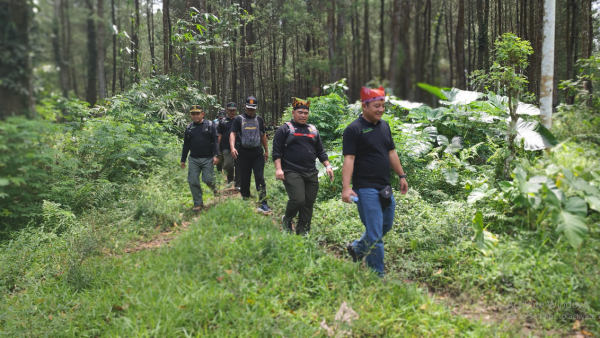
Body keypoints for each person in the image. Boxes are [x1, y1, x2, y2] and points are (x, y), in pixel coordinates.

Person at [342, 87, 409, 277]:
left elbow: (391, 153)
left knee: (385, 225)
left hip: (384, 187)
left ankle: (356, 248)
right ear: (364, 105)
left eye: (383, 106)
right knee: (375, 234)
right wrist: (346, 188)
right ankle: (376, 276)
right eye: (376, 106)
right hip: (365, 188)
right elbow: (349, 159)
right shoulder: (354, 129)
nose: (381, 110)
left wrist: (401, 176)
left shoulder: (384, 126)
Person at [272, 98, 334, 235]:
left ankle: (303, 232)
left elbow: (321, 151)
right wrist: (278, 169)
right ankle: (287, 219)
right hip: (291, 170)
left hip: (311, 172)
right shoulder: (284, 129)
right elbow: (276, 151)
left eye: (306, 113)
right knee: (298, 200)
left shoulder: (312, 130)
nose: (303, 115)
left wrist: (328, 166)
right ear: (293, 112)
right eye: (300, 112)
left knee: (308, 203)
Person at [229, 96, 271, 213]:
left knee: (259, 178)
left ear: (256, 108)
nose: (250, 110)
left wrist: (266, 150)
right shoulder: (238, 119)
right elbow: (232, 133)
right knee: (244, 178)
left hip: (257, 153)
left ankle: (263, 203)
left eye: (253, 108)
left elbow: (263, 135)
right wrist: (233, 148)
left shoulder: (259, 119)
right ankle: (245, 199)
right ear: (244, 106)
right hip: (243, 153)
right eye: (248, 108)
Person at [180, 105, 219, 212]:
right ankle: (198, 203)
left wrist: (216, 155)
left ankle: (215, 189)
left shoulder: (210, 125)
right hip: (194, 159)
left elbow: (215, 141)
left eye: (198, 114)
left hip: (208, 158)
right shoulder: (189, 128)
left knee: (208, 179)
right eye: (193, 114)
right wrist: (183, 160)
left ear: (202, 114)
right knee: (192, 181)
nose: (195, 116)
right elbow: (186, 145)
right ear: (191, 115)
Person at [218, 102, 241, 188]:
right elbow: (219, 135)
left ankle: (238, 183)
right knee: (228, 164)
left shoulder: (239, 120)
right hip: (226, 147)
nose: (232, 112)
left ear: (236, 110)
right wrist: (217, 147)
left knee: (238, 165)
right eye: (230, 110)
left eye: (234, 110)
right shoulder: (223, 122)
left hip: (238, 147)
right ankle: (230, 179)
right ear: (227, 110)